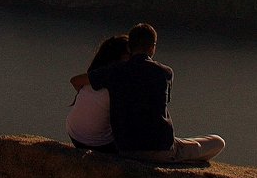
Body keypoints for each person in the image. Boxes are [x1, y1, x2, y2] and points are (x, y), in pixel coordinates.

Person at [71, 23, 225, 163]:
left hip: (126, 149)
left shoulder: (113, 72)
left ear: (130, 48)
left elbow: (76, 80)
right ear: (153, 47)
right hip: (162, 148)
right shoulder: (165, 72)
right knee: (217, 142)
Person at [65, 34, 129, 152]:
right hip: (98, 143)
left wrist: (87, 97)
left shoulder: (95, 75)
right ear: (121, 56)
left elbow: (74, 81)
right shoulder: (117, 78)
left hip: (73, 132)